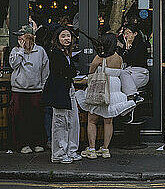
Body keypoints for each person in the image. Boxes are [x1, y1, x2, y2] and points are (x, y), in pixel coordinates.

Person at [76, 33, 136, 159]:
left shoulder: (99, 58)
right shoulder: (118, 58)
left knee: (92, 120)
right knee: (108, 122)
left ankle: (92, 149)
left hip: (100, 89)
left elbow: (91, 72)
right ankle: (105, 149)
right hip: (114, 90)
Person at [8, 25, 49, 154]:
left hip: (35, 90)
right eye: (18, 36)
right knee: (20, 119)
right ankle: (23, 144)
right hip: (19, 90)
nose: (19, 38)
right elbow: (13, 65)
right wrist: (21, 50)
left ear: (30, 37)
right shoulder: (15, 50)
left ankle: (37, 143)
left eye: (22, 35)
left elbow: (45, 70)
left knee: (36, 118)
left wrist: (42, 87)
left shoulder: (40, 51)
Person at [43, 27, 81, 164]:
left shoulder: (66, 53)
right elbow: (66, 71)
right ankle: (59, 153)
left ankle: (71, 150)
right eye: (63, 36)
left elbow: (69, 72)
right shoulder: (55, 52)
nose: (67, 38)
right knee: (60, 122)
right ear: (57, 38)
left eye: (68, 36)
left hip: (68, 88)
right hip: (59, 91)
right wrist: (72, 72)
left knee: (73, 120)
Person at [117, 24, 149, 102]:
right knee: (120, 83)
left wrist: (127, 47)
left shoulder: (141, 45)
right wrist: (125, 47)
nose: (126, 35)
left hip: (140, 73)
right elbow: (123, 60)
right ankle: (134, 97)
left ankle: (132, 97)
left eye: (128, 32)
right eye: (125, 33)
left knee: (122, 77)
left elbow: (132, 59)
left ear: (135, 34)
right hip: (129, 74)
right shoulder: (123, 47)